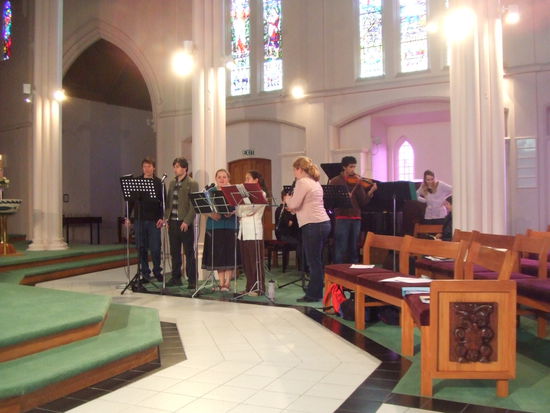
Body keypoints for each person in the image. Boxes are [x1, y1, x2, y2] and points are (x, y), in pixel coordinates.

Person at [284, 156, 331, 302]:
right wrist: (293, 207)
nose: (294, 173)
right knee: (317, 260)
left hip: (312, 224)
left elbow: (294, 204)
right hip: (323, 223)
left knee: (313, 261)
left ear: (299, 169)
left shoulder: (302, 182)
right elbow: (303, 205)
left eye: (294, 170)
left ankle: (314, 294)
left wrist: (287, 199)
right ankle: (316, 290)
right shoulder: (314, 182)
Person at [329, 156, 377, 264]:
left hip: (356, 217)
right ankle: (338, 269)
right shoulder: (336, 181)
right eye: (351, 167)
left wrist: (370, 192)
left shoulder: (357, 181)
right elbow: (331, 201)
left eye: (354, 167)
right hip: (342, 217)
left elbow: (363, 201)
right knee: (341, 246)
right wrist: (344, 197)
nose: (353, 170)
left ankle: (353, 270)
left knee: (354, 247)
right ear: (344, 167)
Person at [126, 157, 165, 283]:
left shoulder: (159, 183)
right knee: (141, 247)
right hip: (139, 219)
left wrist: (162, 218)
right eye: (144, 167)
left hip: (154, 220)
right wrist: (127, 217)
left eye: (149, 166)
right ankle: (145, 273)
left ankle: (157, 271)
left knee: (155, 248)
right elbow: (130, 201)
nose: (146, 169)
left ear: (154, 168)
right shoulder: (137, 182)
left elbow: (163, 203)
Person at [164, 157, 199, 288]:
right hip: (173, 221)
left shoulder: (192, 183)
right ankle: (176, 278)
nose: (175, 169)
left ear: (185, 168)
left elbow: (194, 205)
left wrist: (187, 221)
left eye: (178, 166)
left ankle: (192, 280)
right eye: (174, 166)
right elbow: (169, 203)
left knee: (188, 252)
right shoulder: (172, 183)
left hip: (184, 223)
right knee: (174, 252)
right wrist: (167, 219)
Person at [201, 169, 238, 291]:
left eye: (224, 177)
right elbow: (203, 207)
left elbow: (238, 206)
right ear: (216, 178)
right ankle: (221, 282)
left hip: (230, 226)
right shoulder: (210, 191)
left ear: (228, 178)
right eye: (219, 177)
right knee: (219, 256)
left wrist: (232, 212)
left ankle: (227, 283)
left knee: (229, 255)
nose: (222, 179)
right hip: (215, 225)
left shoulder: (233, 191)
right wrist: (211, 214)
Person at [236, 170, 268, 296]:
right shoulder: (244, 195)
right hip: (243, 230)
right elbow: (238, 211)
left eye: (248, 178)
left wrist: (243, 211)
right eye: (245, 178)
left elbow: (250, 210)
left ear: (256, 180)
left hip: (254, 230)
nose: (246, 181)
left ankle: (259, 288)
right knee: (246, 261)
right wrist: (243, 211)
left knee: (256, 261)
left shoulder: (261, 194)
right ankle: (249, 286)